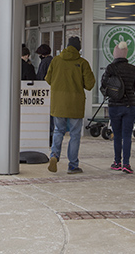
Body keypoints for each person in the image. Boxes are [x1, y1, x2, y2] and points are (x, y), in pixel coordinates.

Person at [45, 36, 95, 174]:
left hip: (58, 104)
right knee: (74, 134)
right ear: (79, 48)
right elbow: (90, 84)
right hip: (75, 104)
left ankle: (54, 155)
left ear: (66, 46)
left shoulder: (56, 60)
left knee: (58, 131)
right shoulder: (82, 63)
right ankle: (73, 165)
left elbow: (48, 79)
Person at [101, 41, 135, 174]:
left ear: (115, 54)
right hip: (130, 106)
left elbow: (103, 86)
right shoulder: (133, 69)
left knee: (117, 135)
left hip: (114, 106)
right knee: (127, 135)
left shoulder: (110, 68)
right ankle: (126, 163)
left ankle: (117, 162)